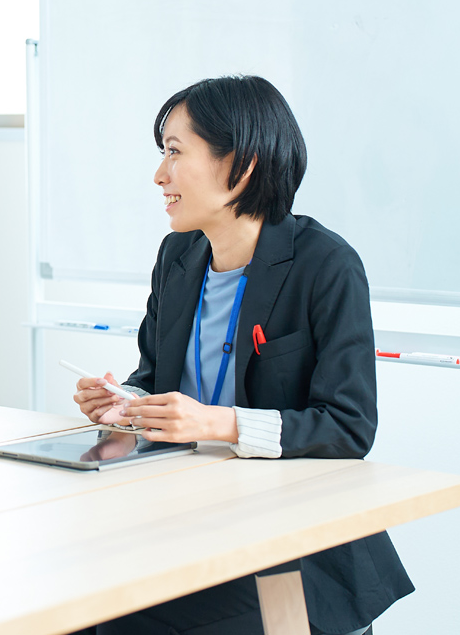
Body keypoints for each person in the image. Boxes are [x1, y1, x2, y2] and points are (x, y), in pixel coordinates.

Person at [74, 76, 411, 635]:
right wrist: (126, 404)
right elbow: (156, 380)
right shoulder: (179, 256)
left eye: (175, 153)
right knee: (83, 611)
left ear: (243, 164)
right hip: (190, 524)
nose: (160, 175)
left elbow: (348, 427)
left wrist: (220, 423)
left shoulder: (325, 265)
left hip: (290, 551)